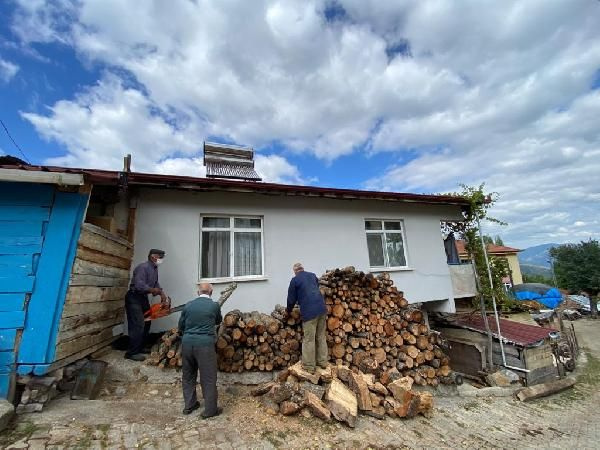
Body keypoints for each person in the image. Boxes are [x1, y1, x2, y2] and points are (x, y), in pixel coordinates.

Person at [178, 282, 223, 417]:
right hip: (205, 344)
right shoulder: (214, 305)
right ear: (211, 292)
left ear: (198, 292)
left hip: (187, 344)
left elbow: (181, 325)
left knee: (188, 375)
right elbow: (218, 320)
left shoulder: (188, 305)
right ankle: (210, 410)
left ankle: (189, 405)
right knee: (208, 377)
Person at [125, 249, 167, 361]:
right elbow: (139, 285)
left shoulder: (154, 268)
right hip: (134, 297)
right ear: (153, 257)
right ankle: (131, 352)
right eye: (160, 257)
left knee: (147, 321)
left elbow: (155, 283)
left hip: (142, 298)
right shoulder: (143, 268)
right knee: (138, 324)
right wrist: (153, 290)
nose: (161, 259)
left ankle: (140, 347)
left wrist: (161, 292)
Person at [286, 262, 328, 373]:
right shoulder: (312, 275)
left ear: (295, 271)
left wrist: (288, 311)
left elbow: (291, 299)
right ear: (303, 269)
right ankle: (323, 362)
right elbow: (314, 290)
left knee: (309, 339)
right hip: (322, 309)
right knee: (321, 336)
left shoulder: (295, 280)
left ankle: (309, 366)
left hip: (309, 313)